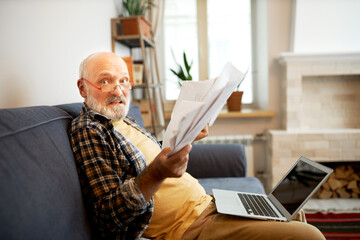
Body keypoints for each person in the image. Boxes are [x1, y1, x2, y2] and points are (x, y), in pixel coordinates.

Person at [69, 52, 325, 240]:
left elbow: (143, 157)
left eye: (124, 81)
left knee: (288, 211)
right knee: (309, 236)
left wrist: (187, 136)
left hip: (210, 204)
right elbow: (107, 216)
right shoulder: (90, 129)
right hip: (191, 227)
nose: (118, 90)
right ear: (83, 88)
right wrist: (158, 173)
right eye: (105, 81)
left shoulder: (122, 119)